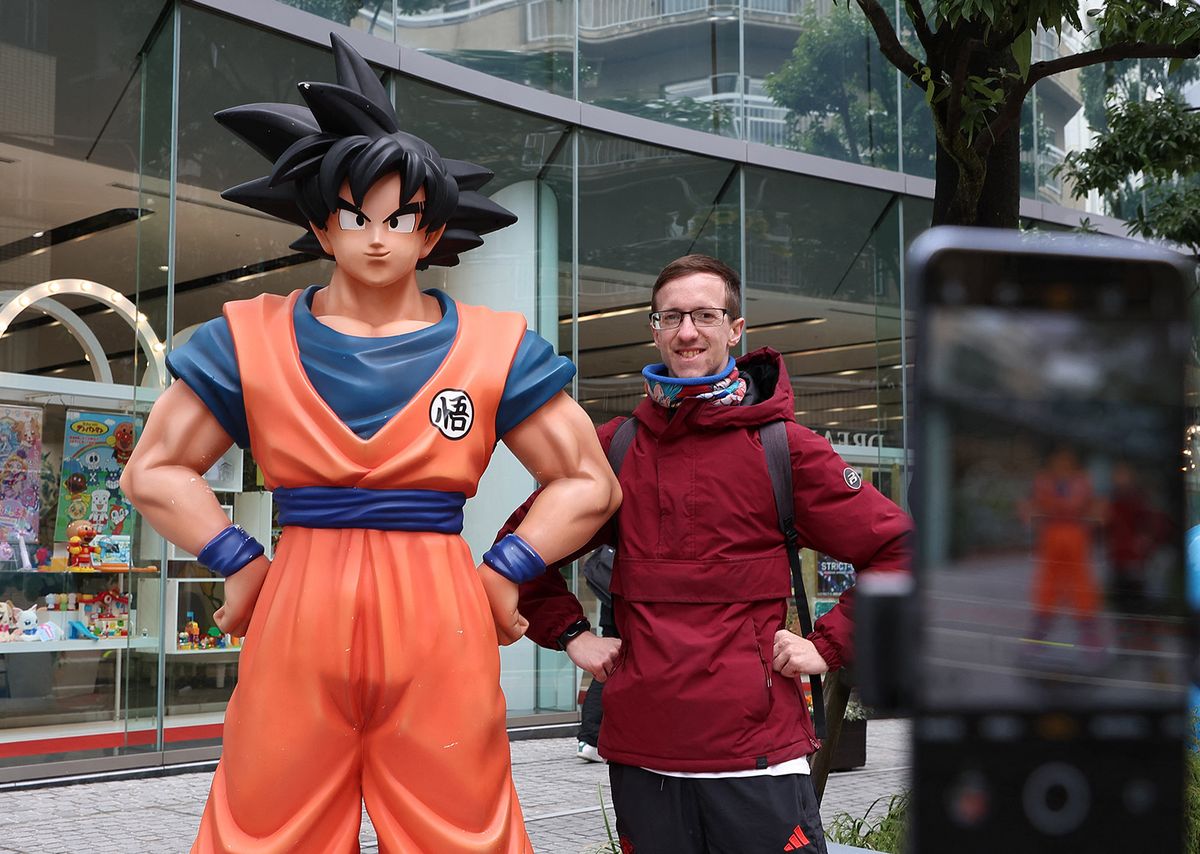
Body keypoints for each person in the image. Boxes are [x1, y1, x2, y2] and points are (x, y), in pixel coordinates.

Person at [121, 34, 620, 854]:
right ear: (323, 226)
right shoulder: (247, 339)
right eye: (357, 216)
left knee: (460, 828)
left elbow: (588, 482)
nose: (378, 237)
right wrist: (241, 559)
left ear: (432, 232)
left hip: (438, 611)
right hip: (301, 607)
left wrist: (507, 572)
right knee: (266, 827)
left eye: (401, 218)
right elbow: (155, 469)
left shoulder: (496, 348)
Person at [497, 255, 912, 853]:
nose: (687, 331)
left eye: (704, 315)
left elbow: (898, 549)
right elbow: (517, 550)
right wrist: (572, 637)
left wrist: (828, 646)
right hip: (644, 753)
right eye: (671, 317)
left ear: (735, 328)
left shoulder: (785, 448)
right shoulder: (616, 448)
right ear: (654, 329)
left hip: (757, 756)